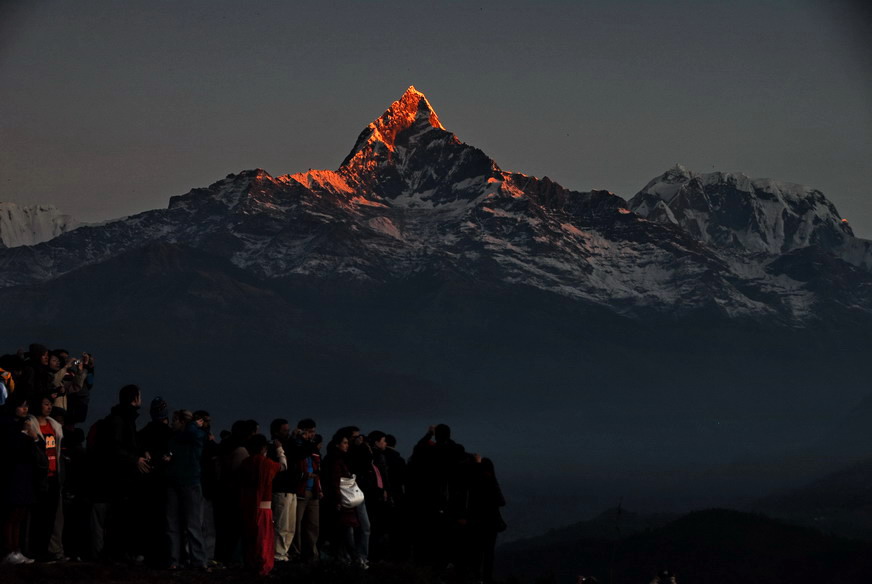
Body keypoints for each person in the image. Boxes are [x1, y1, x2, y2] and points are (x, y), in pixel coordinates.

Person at [0, 395, 44, 565]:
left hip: (25, 475)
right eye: (21, 406)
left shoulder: (26, 425)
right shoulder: (8, 426)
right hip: (12, 476)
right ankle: (8, 549)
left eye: (26, 406)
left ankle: (16, 549)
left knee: (20, 515)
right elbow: (13, 448)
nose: (25, 409)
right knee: (11, 515)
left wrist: (33, 438)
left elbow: (41, 447)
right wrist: (29, 438)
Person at [165, 409, 209, 571]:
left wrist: (191, 425)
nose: (171, 422)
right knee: (177, 524)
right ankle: (177, 560)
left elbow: (197, 435)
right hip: (178, 482)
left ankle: (195, 560)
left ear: (183, 422)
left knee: (191, 524)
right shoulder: (178, 438)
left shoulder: (195, 435)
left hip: (189, 482)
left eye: (175, 420)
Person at [237, 433, 285, 576]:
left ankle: (251, 564)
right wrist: (280, 450)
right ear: (264, 448)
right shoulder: (267, 463)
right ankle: (264, 566)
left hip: (248, 505)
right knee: (264, 539)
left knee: (250, 538)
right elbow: (283, 466)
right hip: (264, 507)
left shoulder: (246, 463)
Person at [26, 395, 64, 562]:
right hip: (39, 477)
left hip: (53, 475)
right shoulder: (31, 424)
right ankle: (35, 550)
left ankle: (45, 550)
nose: (49, 407)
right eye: (46, 404)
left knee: (50, 516)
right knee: (38, 516)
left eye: (50, 404)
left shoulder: (53, 425)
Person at [290, 418, 321, 563]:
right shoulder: (296, 444)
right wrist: (298, 438)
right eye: (309, 432)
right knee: (296, 524)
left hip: (312, 490)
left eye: (313, 432)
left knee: (313, 525)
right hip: (300, 489)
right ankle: (297, 553)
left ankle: (312, 555)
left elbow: (317, 466)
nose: (311, 435)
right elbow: (298, 456)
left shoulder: (312, 446)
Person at [269, 418, 297, 563]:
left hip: (291, 489)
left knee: (290, 526)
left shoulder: (288, 445)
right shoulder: (274, 447)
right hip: (281, 489)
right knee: (281, 524)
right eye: (284, 430)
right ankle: (278, 554)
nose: (287, 433)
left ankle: (283, 552)